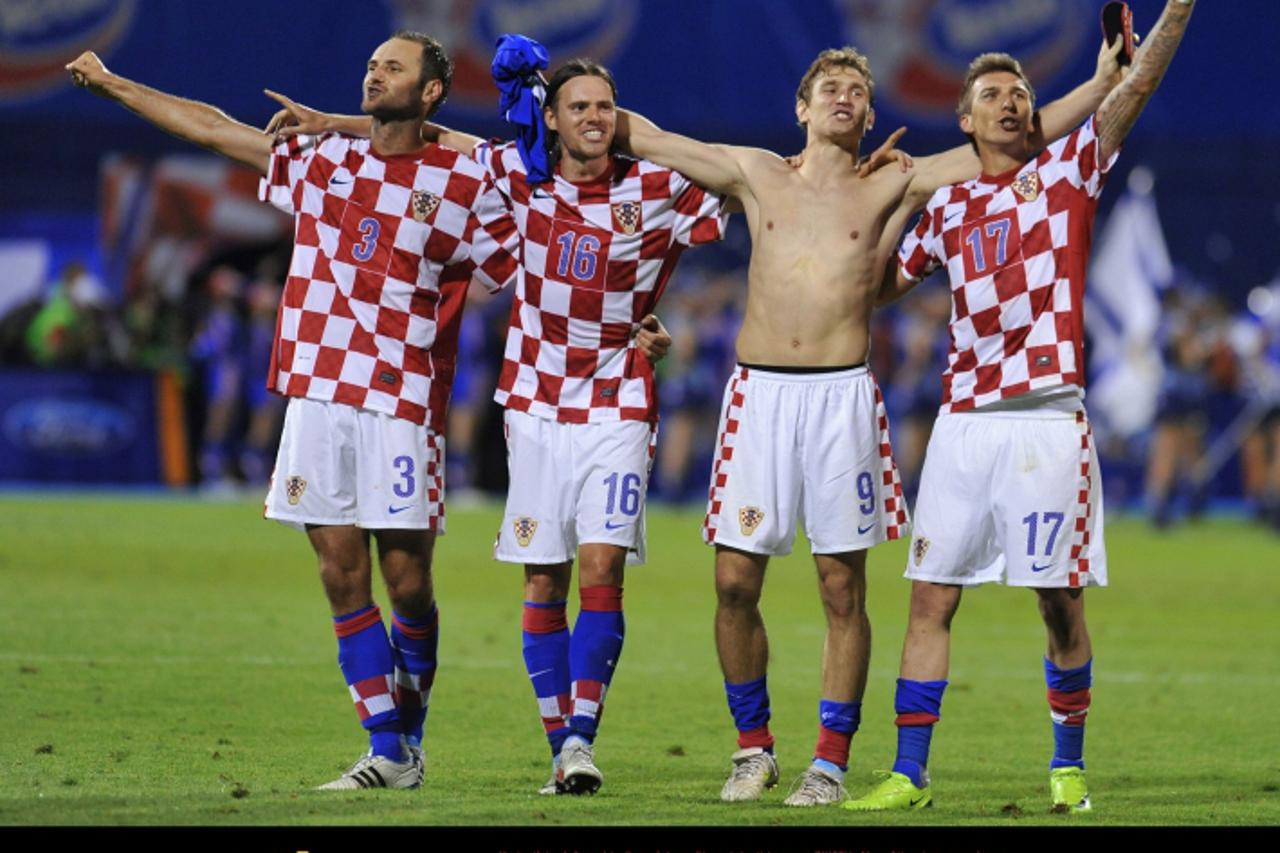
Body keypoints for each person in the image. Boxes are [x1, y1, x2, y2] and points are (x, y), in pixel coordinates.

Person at [611, 36, 1125, 805]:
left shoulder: (895, 181)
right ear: (802, 107)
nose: (844, 96)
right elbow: (651, 139)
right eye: (830, 87)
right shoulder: (755, 172)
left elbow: (1019, 134)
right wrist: (563, 107)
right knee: (733, 583)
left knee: (841, 589)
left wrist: (1100, 83)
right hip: (758, 395)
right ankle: (753, 749)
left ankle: (828, 763)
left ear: (871, 115)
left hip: (842, 396)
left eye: (857, 89)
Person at [67, 31, 520, 790]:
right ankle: (387, 749)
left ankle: (410, 736)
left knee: (408, 583)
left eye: (394, 67)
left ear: (431, 91)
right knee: (341, 573)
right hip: (317, 393)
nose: (374, 74)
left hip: (402, 399)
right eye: (371, 64)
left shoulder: (466, 179)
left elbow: (527, 215)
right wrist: (115, 83)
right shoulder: (323, 161)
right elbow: (213, 128)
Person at [264, 42, 716, 797]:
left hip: (619, 398)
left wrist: (644, 142)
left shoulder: (659, 185)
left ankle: (578, 742)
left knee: (602, 570)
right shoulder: (512, 175)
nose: (595, 118)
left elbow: (739, 182)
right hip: (533, 401)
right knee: (542, 579)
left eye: (606, 107)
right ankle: (520, 745)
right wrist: (337, 122)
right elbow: (433, 137)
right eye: (578, 107)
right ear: (549, 118)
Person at [844, 0, 1195, 814]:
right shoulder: (946, 205)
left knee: (1058, 600)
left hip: (1046, 420)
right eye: (992, 94)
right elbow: (878, 288)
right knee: (931, 595)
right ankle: (908, 772)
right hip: (964, 422)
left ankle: (1068, 764)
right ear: (965, 120)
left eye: (1020, 92)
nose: (1010, 101)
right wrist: (887, 201)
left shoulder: (1069, 171)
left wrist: (1177, 8)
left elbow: (1137, 84)